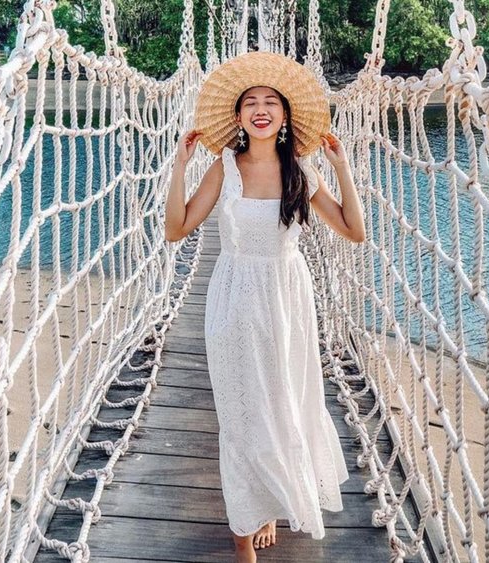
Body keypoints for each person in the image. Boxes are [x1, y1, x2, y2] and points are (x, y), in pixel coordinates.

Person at [164, 51, 367, 563]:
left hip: (289, 301)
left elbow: (353, 230)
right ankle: (243, 535)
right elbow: (176, 229)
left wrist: (341, 168)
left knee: (285, 405)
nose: (260, 109)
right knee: (241, 414)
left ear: (283, 116)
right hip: (234, 297)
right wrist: (179, 166)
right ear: (237, 117)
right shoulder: (223, 168)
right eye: (250, 103)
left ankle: (270, 505)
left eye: (270, 102)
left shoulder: (301, 169)